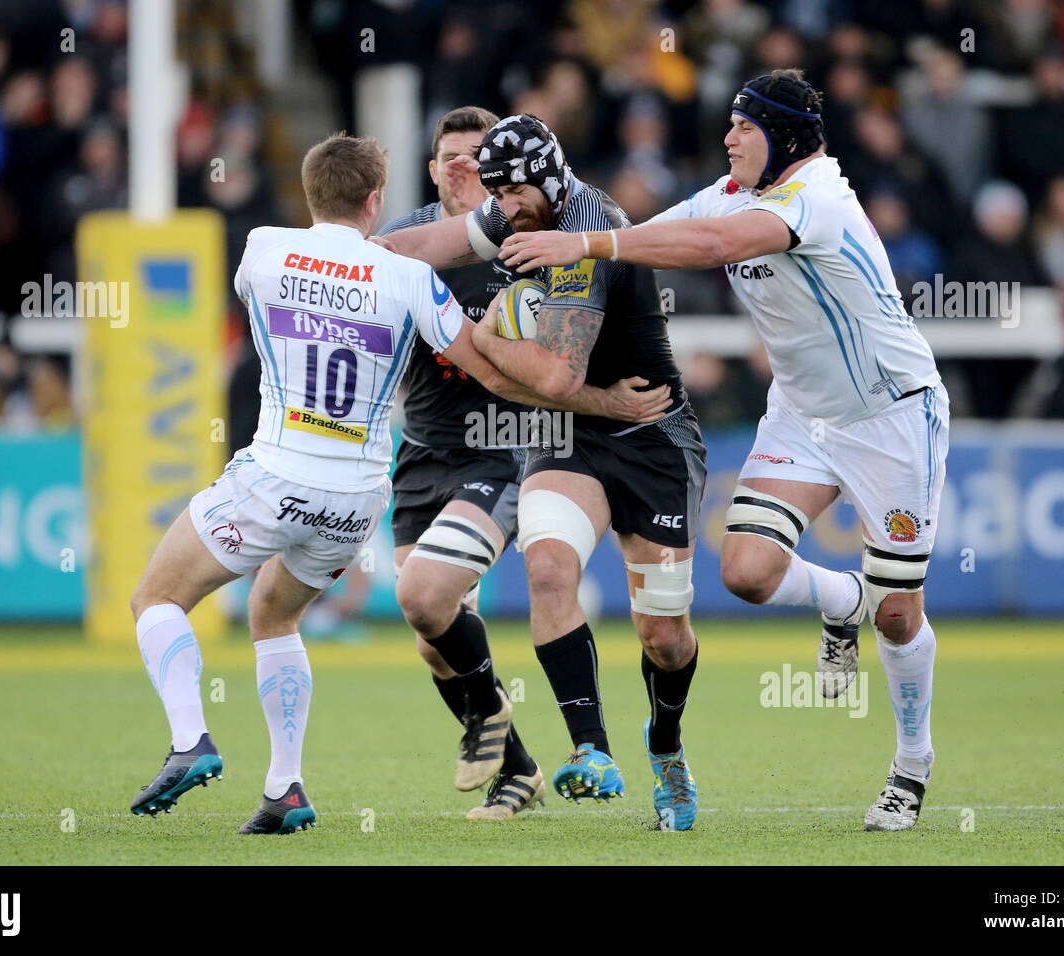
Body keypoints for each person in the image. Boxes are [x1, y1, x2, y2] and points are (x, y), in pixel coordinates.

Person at [125, 133, 657, 835]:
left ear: (312, 194)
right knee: (276, 614)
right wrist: (591, 392)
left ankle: (191, 738)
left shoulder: (260, 249)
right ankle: (286, 790)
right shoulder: (407, 275)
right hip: (360, 496)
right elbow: (492, 370)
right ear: (381, 198)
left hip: (279, 473)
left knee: (157, 597)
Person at [500, 70, 949, 832]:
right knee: (744, 572)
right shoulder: (732, 192)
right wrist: (570, 235)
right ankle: (842, 601)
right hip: (804, 416)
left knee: (901, 618)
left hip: (891, 416)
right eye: (731, 125)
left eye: (745, 127)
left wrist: (580, 236)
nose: (728, 137)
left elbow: (709, 245)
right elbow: (656, 239)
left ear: (788, 138)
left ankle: (912, 765)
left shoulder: (818, 199)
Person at [380, 114, 708, 830]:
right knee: (550, 569)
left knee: (663, 635)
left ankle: (667, 746)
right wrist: (346, 254)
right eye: (494, 191)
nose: (504, 206)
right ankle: (592, 751)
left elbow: (558, 378)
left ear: (551, 177)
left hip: (653, 437)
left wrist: (482, 330)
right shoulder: (513, 212)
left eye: (513, 190)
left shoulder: (592, 227)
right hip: (568, 442)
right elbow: (416, 243)